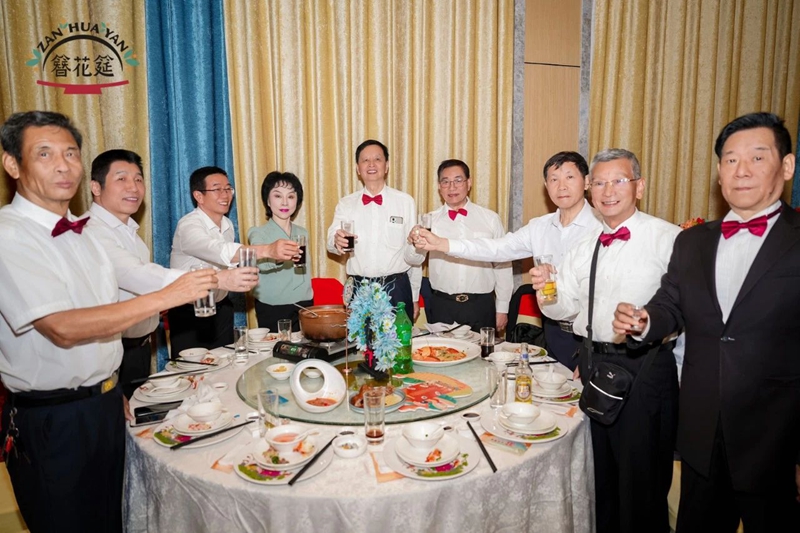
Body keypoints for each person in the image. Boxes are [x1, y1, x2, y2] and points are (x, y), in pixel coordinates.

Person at [0, 110, 217, 532]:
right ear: (12, 164)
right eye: (44, 154)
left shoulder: (83, 234)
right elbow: (62, 326)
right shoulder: (10, 234)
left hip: (101, 404)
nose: (63, 165)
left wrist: (107, 384)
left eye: (70, 153)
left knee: (114, 519)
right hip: (52, 419)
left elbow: (103, 314)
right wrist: (169, 295)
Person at [614, 112, 800, 531]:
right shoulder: (693, 241)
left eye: (757, 157)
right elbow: (670, 304)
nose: (742, 170)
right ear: (719, 173)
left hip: (775, 437)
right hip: (701, 431)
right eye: (731, 160)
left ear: (786, 166)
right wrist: (645, 320)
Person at [532, 148, 680, 532]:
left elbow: (687, 310)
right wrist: (546, 289)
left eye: (618, 181)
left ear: (639, 187)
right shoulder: (585, 247)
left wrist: (650, 326)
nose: (607, 190)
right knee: (600, 479)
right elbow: (563, 309)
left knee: (642, 481)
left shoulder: (669, 239)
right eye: (599, 183)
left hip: (646, 367)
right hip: (595, 367)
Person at [86, 150, 259, 396]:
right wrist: (219, 278)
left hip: (139, 344)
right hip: (110, 348)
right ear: (96, 186)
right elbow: (138, 275)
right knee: (188, 385)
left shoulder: (130, 233)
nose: (133, 187)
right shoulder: (91, 231)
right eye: (121, 179)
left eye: (138, 179)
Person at [413, 151, 601, 369]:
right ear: (546, 185)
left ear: (586, 181)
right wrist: (442, 244)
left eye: (569, 177)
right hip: (553, 331)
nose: (561, 186)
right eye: (554, 179)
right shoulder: (539, 227)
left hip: (594, 338)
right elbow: (497, 249)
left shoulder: (604, 227)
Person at [169, 166, 298, 355]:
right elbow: (217, 250)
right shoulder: (188, 226)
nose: (225, 195)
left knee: (225, 363)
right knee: (192, 368)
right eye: (217, 189)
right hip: (189, 311)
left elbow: (229, 262)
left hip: (221, 307)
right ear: (198, 196)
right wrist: (268, 250)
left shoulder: (227, 225)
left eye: (228, 188)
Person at [408, 159, 512, 332]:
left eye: (458, 180)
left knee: (484, 350)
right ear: (439, 186)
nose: (452, 187)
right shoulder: (429, 220)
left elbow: (503, 263)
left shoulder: (490, 219)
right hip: (442, 305)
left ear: (469, 183)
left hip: (481, 305)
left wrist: (502, 308)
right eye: (445, 182)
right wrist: (414, 298)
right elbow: (415, 262)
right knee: (441, 349)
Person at [326, 139, 424, 317]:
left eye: (377, 159)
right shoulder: (346, 203)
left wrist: (415, 295)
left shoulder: (405, 201)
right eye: (365, 160)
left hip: (396, 288)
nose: (371, 164)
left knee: (398, 336)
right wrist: (336, 240)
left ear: (386, 166)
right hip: (359, 288)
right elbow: (331, 242)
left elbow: (414, 253)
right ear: (358, 168)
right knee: (358, 336)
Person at [248, 171, 314, 331]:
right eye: (278, 196)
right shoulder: (258, 233)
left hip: (304, 303)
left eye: (290, 196)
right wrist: (279, 255)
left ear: (297, 201)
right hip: (273, 306)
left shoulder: (302, 232)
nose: (285, 202)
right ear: (268, 201)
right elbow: (260, 264)